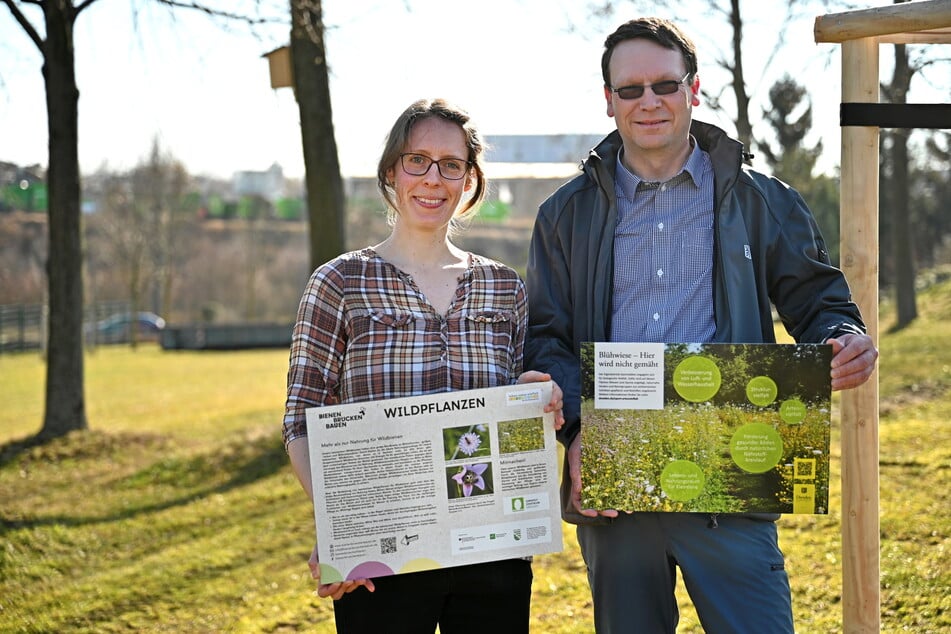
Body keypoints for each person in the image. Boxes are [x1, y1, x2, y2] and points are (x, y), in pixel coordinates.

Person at [524, 17, 879, 634]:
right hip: (614, 474)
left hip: (734, 463)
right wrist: (577, 431)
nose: (648, 101)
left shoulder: (760, 198)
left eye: (664, 84)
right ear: (608, 100)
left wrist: (840, 336)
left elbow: (817, 296)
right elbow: (546, 337)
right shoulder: (564, 214)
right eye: (629, 89)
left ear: (694, 89)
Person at [282, 97, 565, 634]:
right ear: (393, 171)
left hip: (492, 549)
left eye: (451, 165)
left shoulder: (505, 287)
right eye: (418, 161)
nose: (433, 179)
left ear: (469, 180)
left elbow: (517, 405)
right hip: (381, 556)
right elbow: (301, 421)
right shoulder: (339, 283)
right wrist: (344, 529)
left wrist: (536, 396)